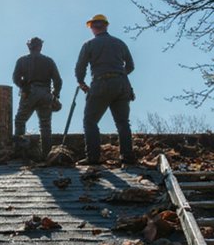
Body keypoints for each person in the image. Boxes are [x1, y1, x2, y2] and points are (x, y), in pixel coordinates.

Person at [74, 14, 136, 166]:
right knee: (123, 123)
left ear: (93, 28)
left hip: (101, 84)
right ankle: (127, 158)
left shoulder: (89, 44)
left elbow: (80, 67)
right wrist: (118, 75)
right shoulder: (120, 43)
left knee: (90, 121)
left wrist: (81, 82)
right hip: (122, 85)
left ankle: (93, 158)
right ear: (106, 26)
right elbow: (131, 66)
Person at [12, 37, 62, 156]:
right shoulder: (49, 61)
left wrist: (24, 87)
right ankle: (47, 154)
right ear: (40, 47)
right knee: (45, 125)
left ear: (29, 47)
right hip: (45, 93)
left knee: (20, 121)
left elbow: (15, 78)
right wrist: (55, 95)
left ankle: (19, 152)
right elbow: (58, 81)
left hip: (30, 92)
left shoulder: (22, 60)